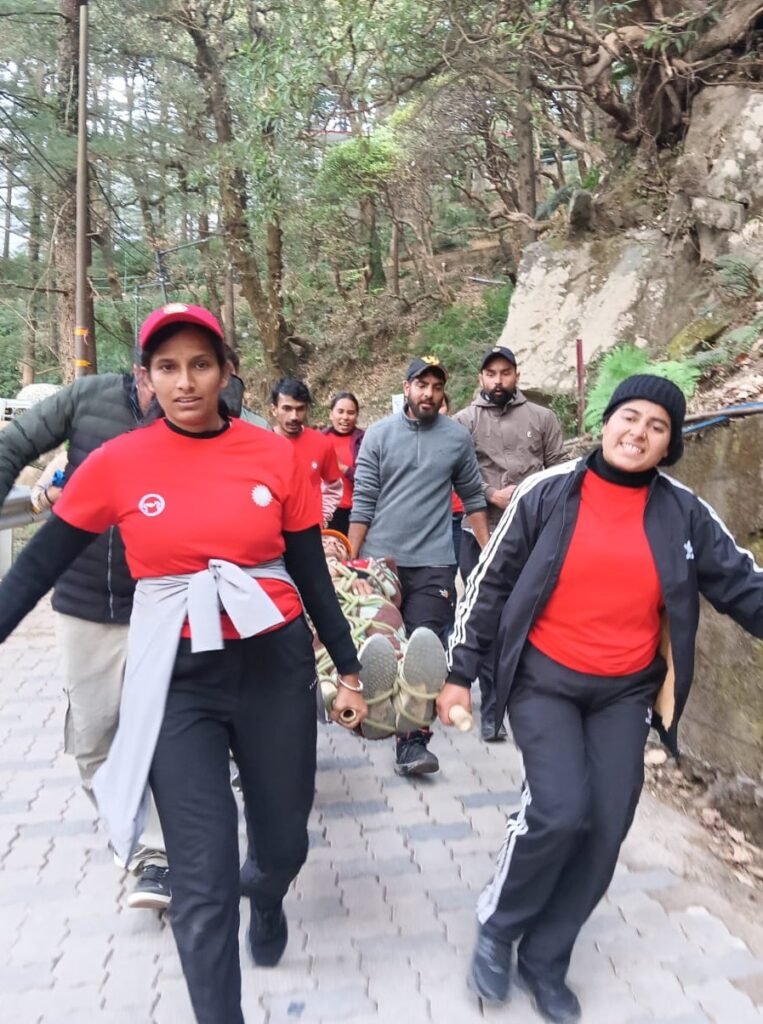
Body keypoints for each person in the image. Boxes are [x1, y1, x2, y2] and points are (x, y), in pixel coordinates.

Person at [0, 303, 367, 1024]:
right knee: (201, 880)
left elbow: (309, 573)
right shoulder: (116, 464)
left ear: (226, 373)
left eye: (200, 364)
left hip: (272, 667)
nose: (185, 381)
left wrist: (348, 668)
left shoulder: (275, 457)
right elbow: (37, 566)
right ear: (145, 379)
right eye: (167, 367)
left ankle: (267, 893)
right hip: (176, 677)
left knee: (283, 844)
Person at [437, 375, 763, 1024]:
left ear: (669, 445)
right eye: (629, 416)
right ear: (607, 421)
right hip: (544, 680)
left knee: (607, 823)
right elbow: (490, 583)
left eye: (657, 426)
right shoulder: (547, 491)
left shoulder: (683, 512)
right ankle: (500, 927)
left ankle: (545, 958)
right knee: (559, 810)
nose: (638, 432)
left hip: (624, 691)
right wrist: (459, 671)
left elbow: (742, 584)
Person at [0, 361, 171, 909]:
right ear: (141, 369)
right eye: (160, 368)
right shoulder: (87, 398)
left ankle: (157, 855)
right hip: (82, 601)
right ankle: (130, 831)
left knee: (163, 734)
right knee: (94, 738)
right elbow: (14, 444)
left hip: (161, 604)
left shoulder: (196, 412)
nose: (173, 383)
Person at [349, 356, 489, 776]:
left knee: (424, 648)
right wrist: (353, 563)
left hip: (434, 562)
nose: (429, 393)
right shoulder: (378, 435)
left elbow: (474, 497)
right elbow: (363, 500)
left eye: (436, 386)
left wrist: (488, 552)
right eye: (421, 384)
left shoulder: (456, 438)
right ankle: (381, 714)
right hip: (381, 563)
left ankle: (412, 744)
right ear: (406, 387)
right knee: (386, 649)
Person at [453, 345, 566, 741]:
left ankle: (538, 703)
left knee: (535, 616)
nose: (498, 381)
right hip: (479, 531)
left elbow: (561, 470)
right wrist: (490, 494)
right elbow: (457, 474)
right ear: (480, 378)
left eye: (505, 373)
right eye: (491, 374)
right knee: (486, 619)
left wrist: (532, 493)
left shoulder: (542, 417)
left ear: (516, 375)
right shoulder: (463, 422)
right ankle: (492, 711)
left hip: (533, 534)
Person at [270, 377, 343, 526]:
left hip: (309, 528)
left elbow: (334, 486)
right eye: (287, 408)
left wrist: (322, 517)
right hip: (272, 528)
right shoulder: (261, 444)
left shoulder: (321, 443)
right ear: (274, 410)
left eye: (300, 409)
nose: (294, 416)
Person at [321, 392, 365, 535]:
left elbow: (370, 477)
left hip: (357, 512)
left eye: (350, 413)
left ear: (356, 416)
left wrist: (344, 468)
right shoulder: (319, 439)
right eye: (340, 411)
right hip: (326, 511)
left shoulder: (365, 441)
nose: (345, 417)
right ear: (331, 414)